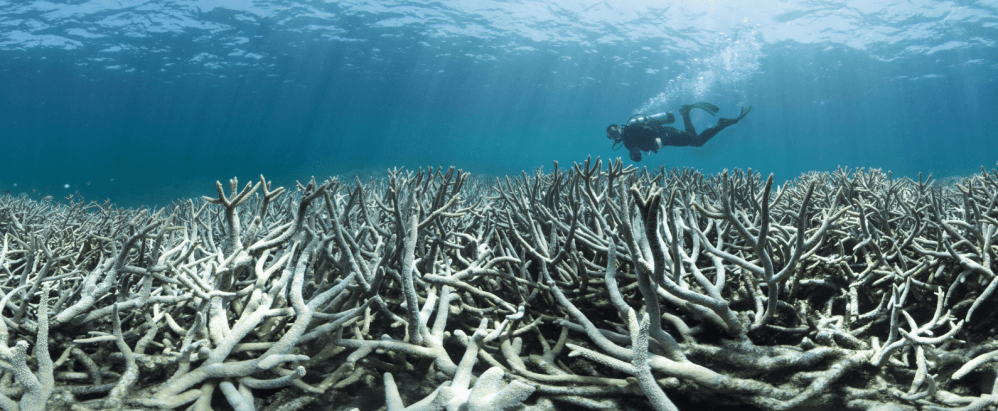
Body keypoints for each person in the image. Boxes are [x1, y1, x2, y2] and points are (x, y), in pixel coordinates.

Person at [606, 102, 752, 162]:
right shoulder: (627, 144)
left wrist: (647, 142)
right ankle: (686, 113)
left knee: (697, 142)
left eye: (614, 134)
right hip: (668, 140)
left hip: (667, 135)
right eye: (612, 136)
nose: (615, 137)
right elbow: (638, 157)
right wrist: (636, 153)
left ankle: (722, 124)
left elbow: (648, 130)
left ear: (618, 129)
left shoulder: (630, 130)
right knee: (695, 139)